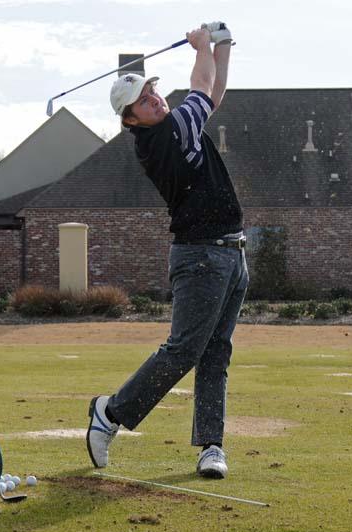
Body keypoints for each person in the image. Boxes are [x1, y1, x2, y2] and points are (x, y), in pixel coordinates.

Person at [86, 22, 248, 479]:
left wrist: (223, 45)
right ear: (130, 120)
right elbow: (201, 83)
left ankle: (211, 446)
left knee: (216, 353)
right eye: (144, 100)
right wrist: (202, 45)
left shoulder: (175, 125)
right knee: (183, 351)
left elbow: (211, 94)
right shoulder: (170, 132)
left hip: (231, 254)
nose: (155, 98)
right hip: (201, 256)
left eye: (153, 91)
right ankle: (110, 413)